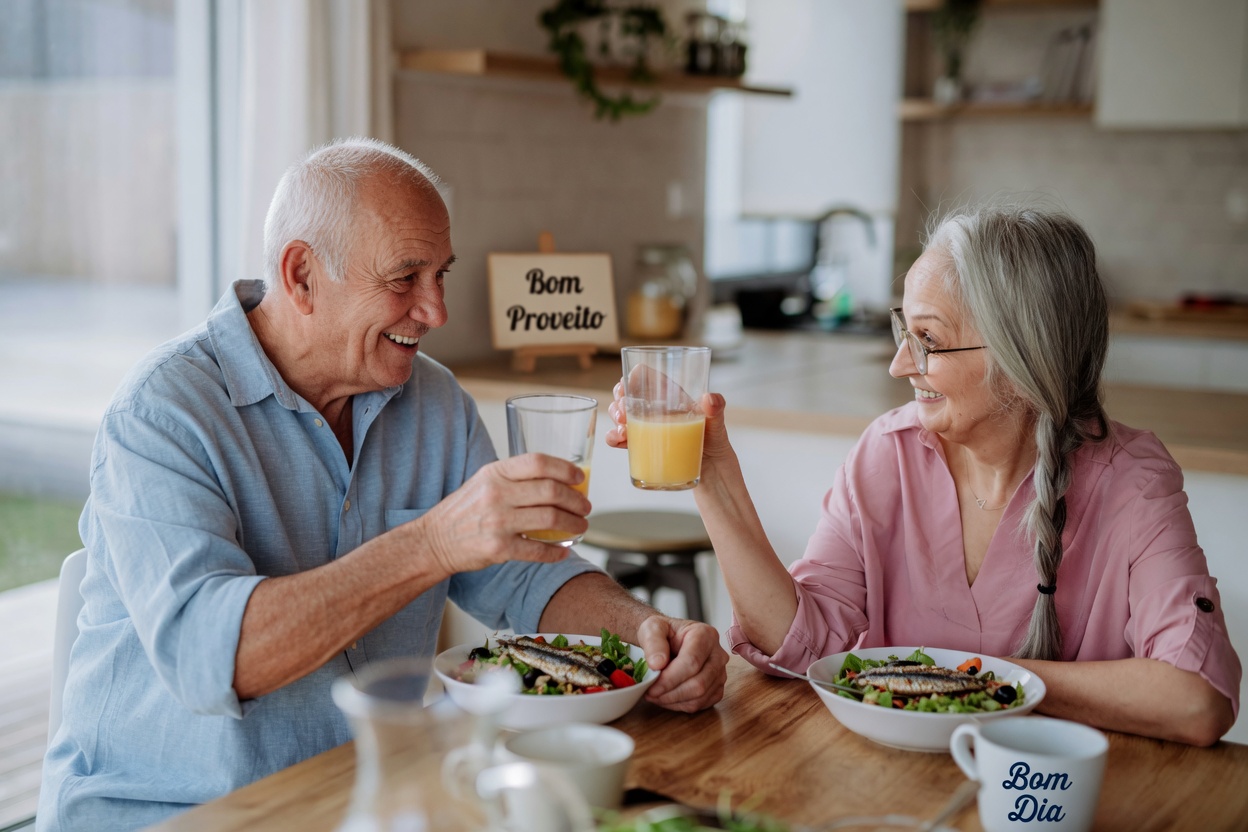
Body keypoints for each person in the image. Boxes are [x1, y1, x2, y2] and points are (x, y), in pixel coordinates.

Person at [39, 137, 728, 831]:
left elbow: (524, 578)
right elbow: (214, 658)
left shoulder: (434, 403)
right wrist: (431, 543)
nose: (436, 311)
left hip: (366, 798)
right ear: (302, 274)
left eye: (440, 275)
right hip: (172, 813)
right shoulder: (163, 412)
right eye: (405, 278)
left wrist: (645, 633)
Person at [608, 202, 1239, 746]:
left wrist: (972, 683)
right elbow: (800, 646)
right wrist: (711, 475)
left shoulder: (1130, 480)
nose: (899, 364)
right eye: (902, 331)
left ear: (1019, 357)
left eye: (928, 340)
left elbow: (1195, 698)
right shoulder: (891, 453)